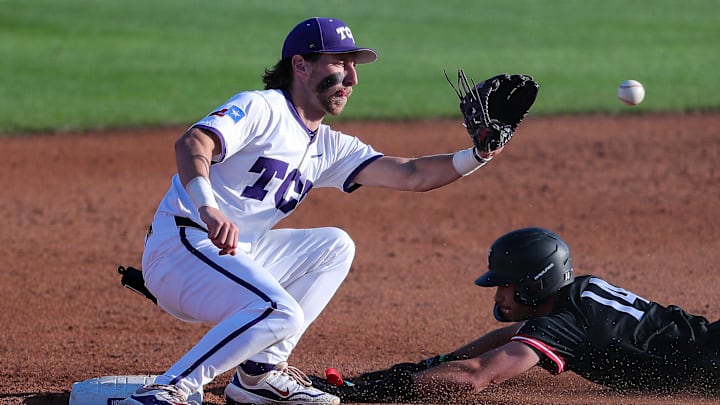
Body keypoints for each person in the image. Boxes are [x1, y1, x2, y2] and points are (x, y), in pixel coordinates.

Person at [120, 17, 524, 405]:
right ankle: (168, 388)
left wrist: (478, 154)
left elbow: (412, 173)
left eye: (353, 66)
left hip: (234, 257)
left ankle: (259, 377)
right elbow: (193, 143)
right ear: (300, 65)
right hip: (182, 249)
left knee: (335, 245)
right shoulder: (262, 109)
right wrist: (208, 207)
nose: (352, 79)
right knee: (280, 311)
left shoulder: (327, 144)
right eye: (340, 63)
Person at [311, 227, 720, 402]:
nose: (499, 293)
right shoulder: (578, 294)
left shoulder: (563, 325)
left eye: (506, 284)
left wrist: (376, 390)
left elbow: (476, 378)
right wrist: (439, 361)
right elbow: (516, 333)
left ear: (535, 284)